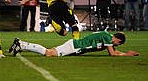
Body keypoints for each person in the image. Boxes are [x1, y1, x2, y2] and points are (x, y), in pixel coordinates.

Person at [9, 31, 139, 57]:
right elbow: (113, 53)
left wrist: (126, 53)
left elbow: (114, 51)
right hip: (74, 47)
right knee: (49, 53)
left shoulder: (107, 38)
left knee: (50, 52)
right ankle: (21, 44)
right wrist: (127, 54)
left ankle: (21, 45)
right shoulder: (107, 37)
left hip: (75, 46)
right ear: (117, 40)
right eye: (118, 44)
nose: (117, 45)